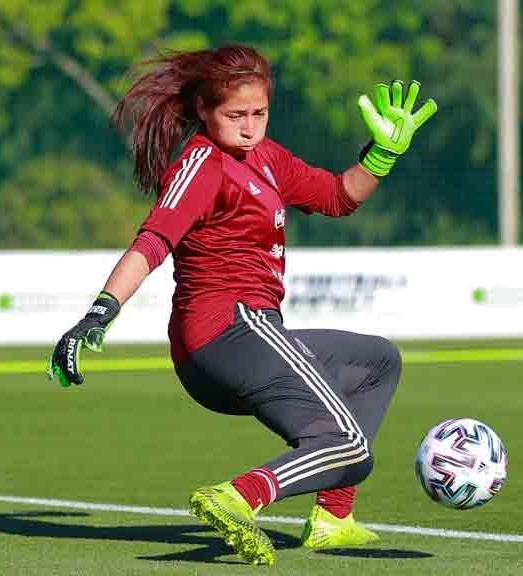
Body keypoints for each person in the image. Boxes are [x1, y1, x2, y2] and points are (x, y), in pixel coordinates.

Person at [48, 44, 436, 566]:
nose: (250, 126)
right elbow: (154, 239)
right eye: (235, 115)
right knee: (351, 446)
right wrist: (100, 311)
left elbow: (339, 195)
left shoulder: (266, 157)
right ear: (205, 112)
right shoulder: (204, 163)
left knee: (377, 362)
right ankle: (237, 497)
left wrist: (382, 153)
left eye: (259, 113)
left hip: (246, 335)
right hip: (226, 332)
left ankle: (332, 519)